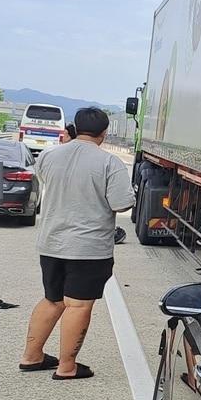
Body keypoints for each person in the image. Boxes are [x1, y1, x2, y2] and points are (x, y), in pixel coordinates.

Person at [18, 107, 134, 379]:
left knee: (52, 299)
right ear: (104, 133)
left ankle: (31, 357)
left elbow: (46, 180)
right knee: (78, 305)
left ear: (73, 128)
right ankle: (67, 367)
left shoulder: (48, 156)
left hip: (51, 243)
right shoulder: (109, 163)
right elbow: (121, 202)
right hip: (88, 248)